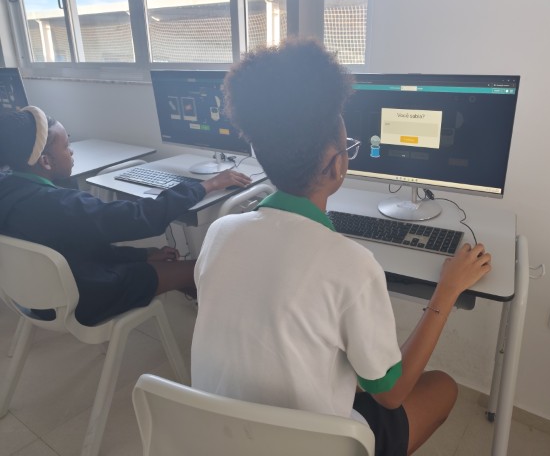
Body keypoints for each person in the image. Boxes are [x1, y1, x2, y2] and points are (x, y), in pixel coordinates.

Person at [191, 39, 491, 456]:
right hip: (312, 447)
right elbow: (391, 395)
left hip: (221, 437)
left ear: (258, 151)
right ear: (338, 164)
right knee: (442, 387)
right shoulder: (352, 264)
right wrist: (448, 291)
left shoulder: (220, 232)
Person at [0, 106, 251, 326]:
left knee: (169, 266)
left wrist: (142, 255)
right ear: (45, 161)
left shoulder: (10, 190)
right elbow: (140, 218)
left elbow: (76, 244)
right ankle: (227, 330)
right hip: (85, 297)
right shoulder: (60, 204)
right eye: (66, 146)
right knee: (201, 268)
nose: (72, 152)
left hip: (39, 298)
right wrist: (207, 185)